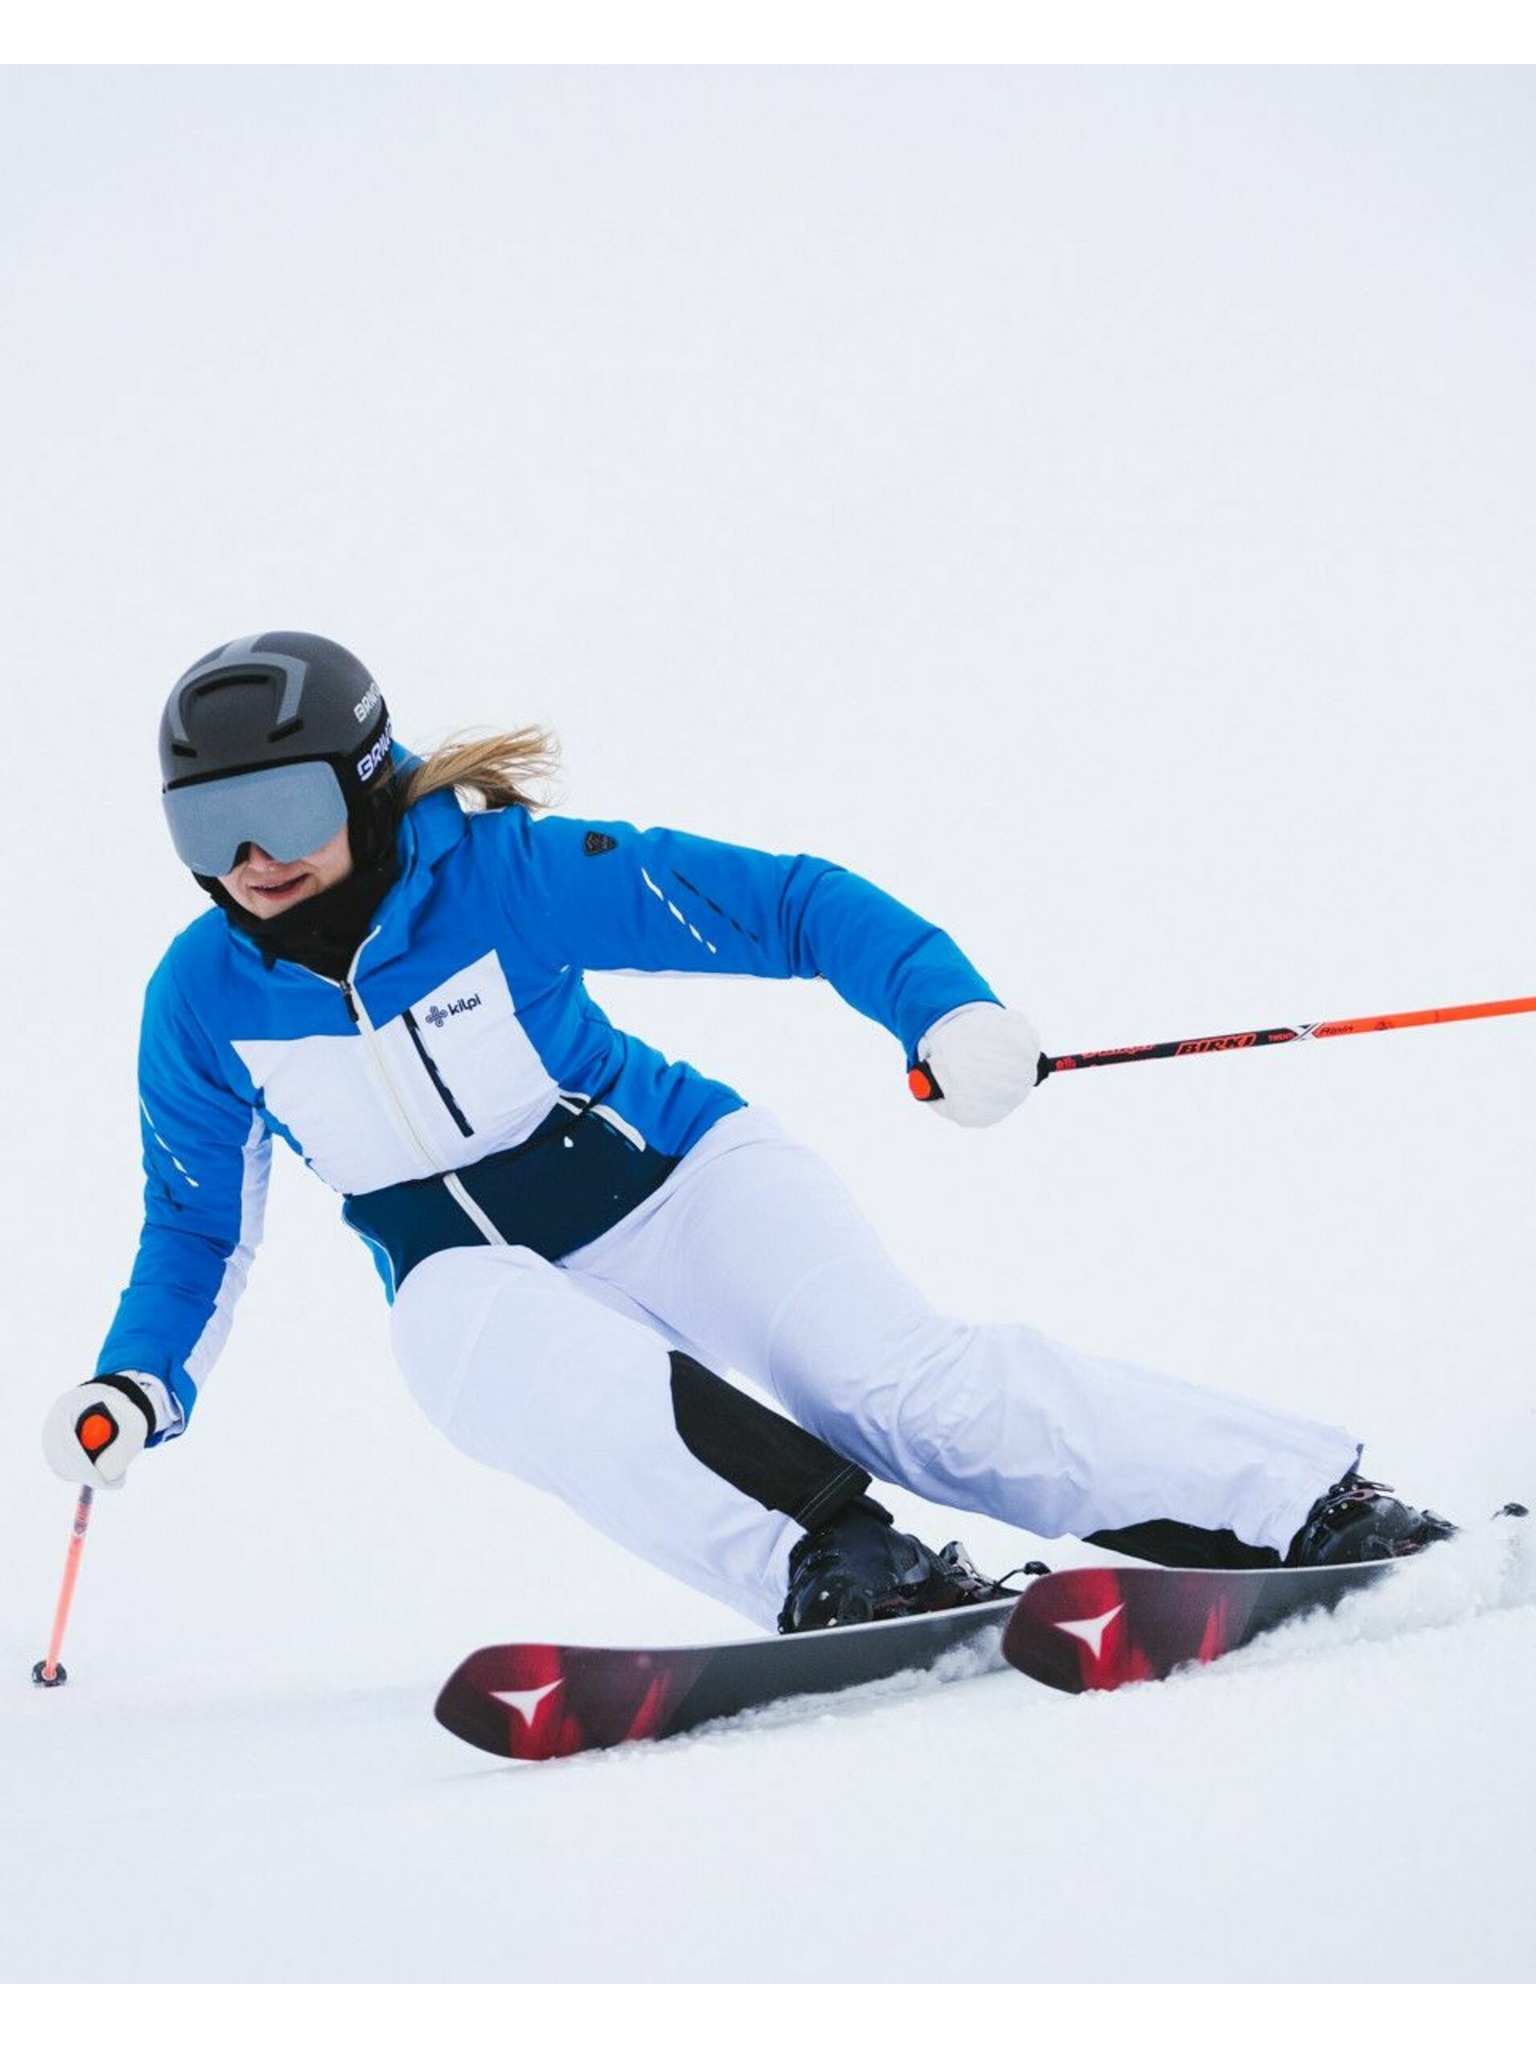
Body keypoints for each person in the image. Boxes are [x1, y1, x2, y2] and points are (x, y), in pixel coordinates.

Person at [44, 632, 1454, 1634]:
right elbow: (195, 1224)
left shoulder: (502, 878)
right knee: (455, 1332)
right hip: (489, 1285)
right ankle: (844, 1565)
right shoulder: (201, 1001)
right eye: (208, 828)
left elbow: (786, 903)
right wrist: (138, 1384)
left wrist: (944, 1009)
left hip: (685, 1191)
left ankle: (1305, 1504)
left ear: (360, 782)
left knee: (905, 1399)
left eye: (281, 810)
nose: (251, 860)